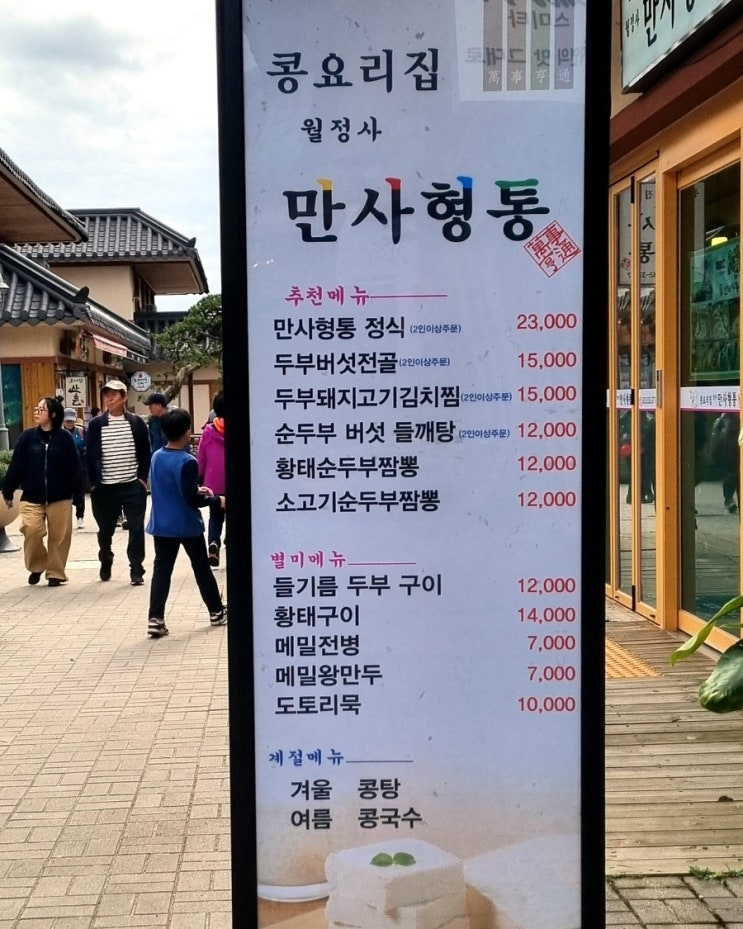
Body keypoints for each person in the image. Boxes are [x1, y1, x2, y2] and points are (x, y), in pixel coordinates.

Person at [145, 408, 227, 638]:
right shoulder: (187, 461)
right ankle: (216, 611)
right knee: (201, 569)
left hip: (162, 525)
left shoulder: (157, 456)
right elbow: (191, 498)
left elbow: (173, 487)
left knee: (162, 571)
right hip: (186, 524)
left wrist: (197, 490)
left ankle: (155, 618)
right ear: (186, 432)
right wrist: (216, 500)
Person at [1, 397, 83, 586]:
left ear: (53, 414)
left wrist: (78, 496)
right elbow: (17, 465)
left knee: (59, 537)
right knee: (32, 531)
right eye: (36, 409)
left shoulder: (65, 439)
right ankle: (37, 566)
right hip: (31, 496)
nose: (37, 413)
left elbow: (74, 468)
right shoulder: (27, 437)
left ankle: (55, 573)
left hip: (60, 497)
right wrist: (8, 490)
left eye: (41, 410)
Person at [86, 379, 151, 584]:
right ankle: (106, 557)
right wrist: (93, 484)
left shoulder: (136, 423)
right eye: (106, 394)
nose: (109, 398)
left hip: (132, 485)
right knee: (105, 530)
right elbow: (90, 455)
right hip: (105, 487)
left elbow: (145, 453)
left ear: (124, 397)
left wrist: (142, 480)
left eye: (114, 394)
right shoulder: (96, 424)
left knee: (136, 528)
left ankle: (136, 569)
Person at [197, 391, 226, 566]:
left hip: (214, 483)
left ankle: (214, 542)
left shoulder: (208, 430)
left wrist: (200, 477)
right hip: (236, 482)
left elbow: (201, 457)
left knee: (215, 516)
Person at [63, 408, 87, 528]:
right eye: (67, 421)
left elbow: (88, 447)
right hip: (64, 469)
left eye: (71, 421)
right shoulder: (59, 433)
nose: (69, 423)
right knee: (64, 494)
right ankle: (65, 517)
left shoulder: (82, 431)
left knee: (79, 494)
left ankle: (80, 516)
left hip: (80, 467)